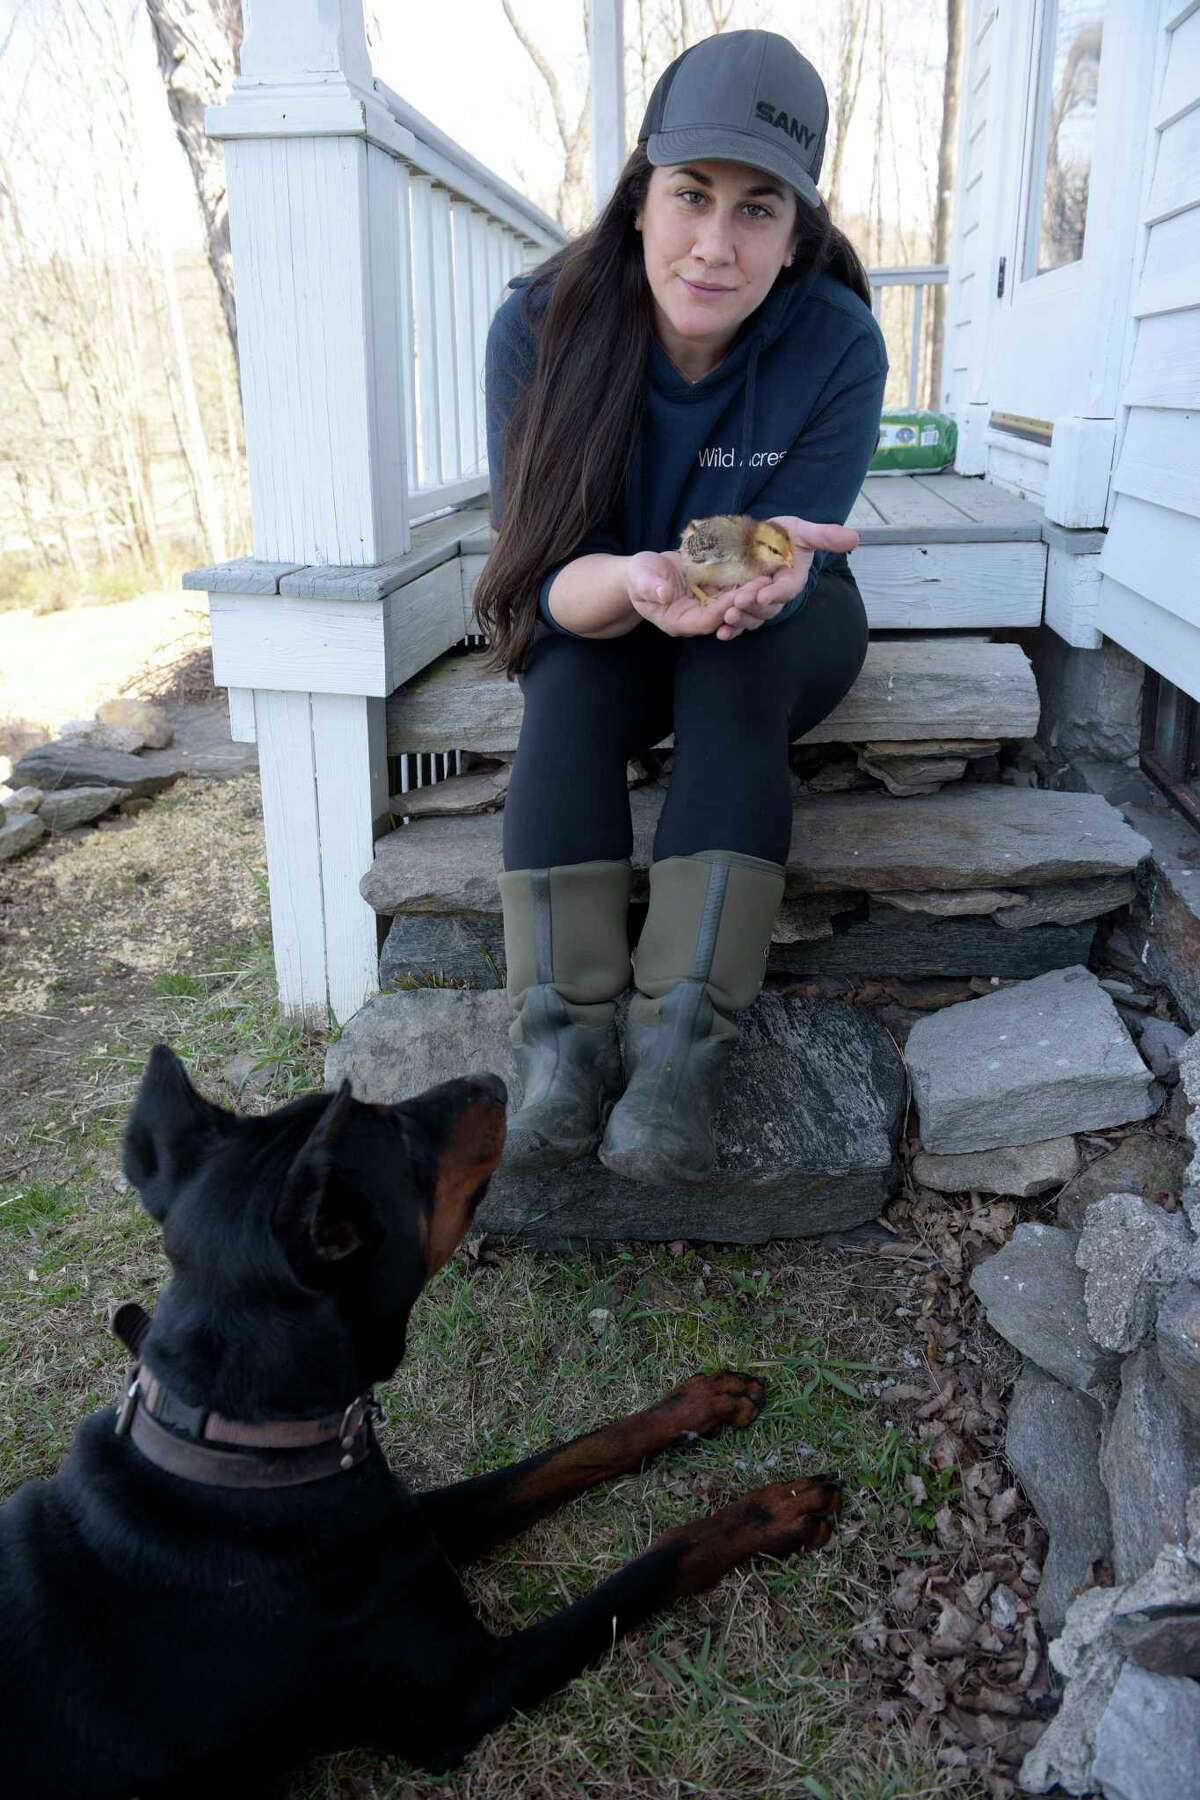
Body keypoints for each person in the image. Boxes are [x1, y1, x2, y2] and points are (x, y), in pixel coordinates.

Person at [474, 29, 888, 1187]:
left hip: (781, 617)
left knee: (732, 668)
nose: (716, 244)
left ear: (798, 231)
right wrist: (639, 582)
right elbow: (543, 580)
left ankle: (677, 1062)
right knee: (567, 675)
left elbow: (774, 550)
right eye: (692, 195)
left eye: (759, 210)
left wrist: (757, 576)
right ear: (640, 195)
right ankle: (560, 1051)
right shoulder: (537, 328)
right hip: (606, 600)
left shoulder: (838, 342)